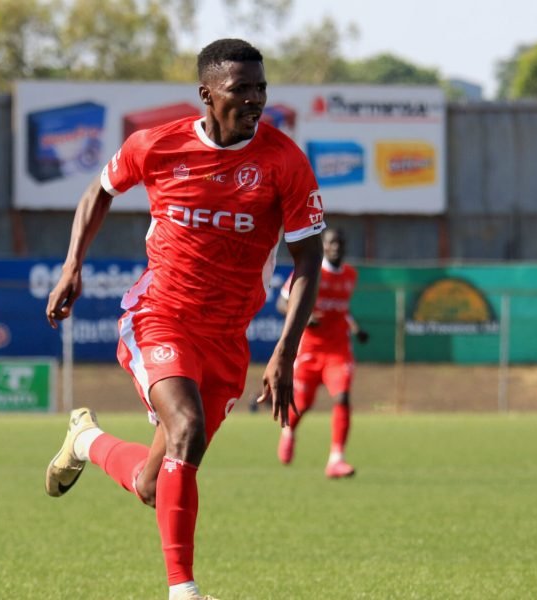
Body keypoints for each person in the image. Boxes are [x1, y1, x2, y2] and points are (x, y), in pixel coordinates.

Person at [42, 38, 325, 600]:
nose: (254, 99)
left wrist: (285, 350)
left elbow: (308, 259)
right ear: (206, 94)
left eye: (261, 88)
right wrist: (73, 265)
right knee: (187, 428)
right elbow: (98, 191)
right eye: (240, 89)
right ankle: (184, 591)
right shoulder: (156, 145)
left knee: (154, 484)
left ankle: (85, 440)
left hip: (227, 337)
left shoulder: (284, 161)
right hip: (160, 315)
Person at [275, 228, 368, 478]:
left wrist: (356, 329)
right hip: (310, 350)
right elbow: (282, 303)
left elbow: (342, 309)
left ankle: (336, 459)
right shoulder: (311, 272)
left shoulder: (350, 275)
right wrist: (304, 318)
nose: (335, 247)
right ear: (323, 246)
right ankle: (288, 432)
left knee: (343, 397)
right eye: (331, 243)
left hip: (338, 350)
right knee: (303, 403)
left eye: (340, 243)